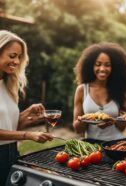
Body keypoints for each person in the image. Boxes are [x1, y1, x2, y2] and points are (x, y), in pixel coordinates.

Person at [0, 30, 53, 185]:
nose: (16, 61)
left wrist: (27, 115)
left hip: (11, 153)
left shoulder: (7, 84)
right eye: (12, 56)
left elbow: (10, 126)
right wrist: (28, 135)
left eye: (19, 57)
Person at [73, 42, 126, 140]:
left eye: (107, 65)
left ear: (114, 67)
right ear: (90, 66)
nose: (102, 69)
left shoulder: (120, 90)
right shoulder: (82, 90)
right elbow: (78, 129)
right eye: (98, 64)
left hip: (116, 145)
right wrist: (85, 119)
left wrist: (119, 120)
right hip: (92, 147)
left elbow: (122, 128)